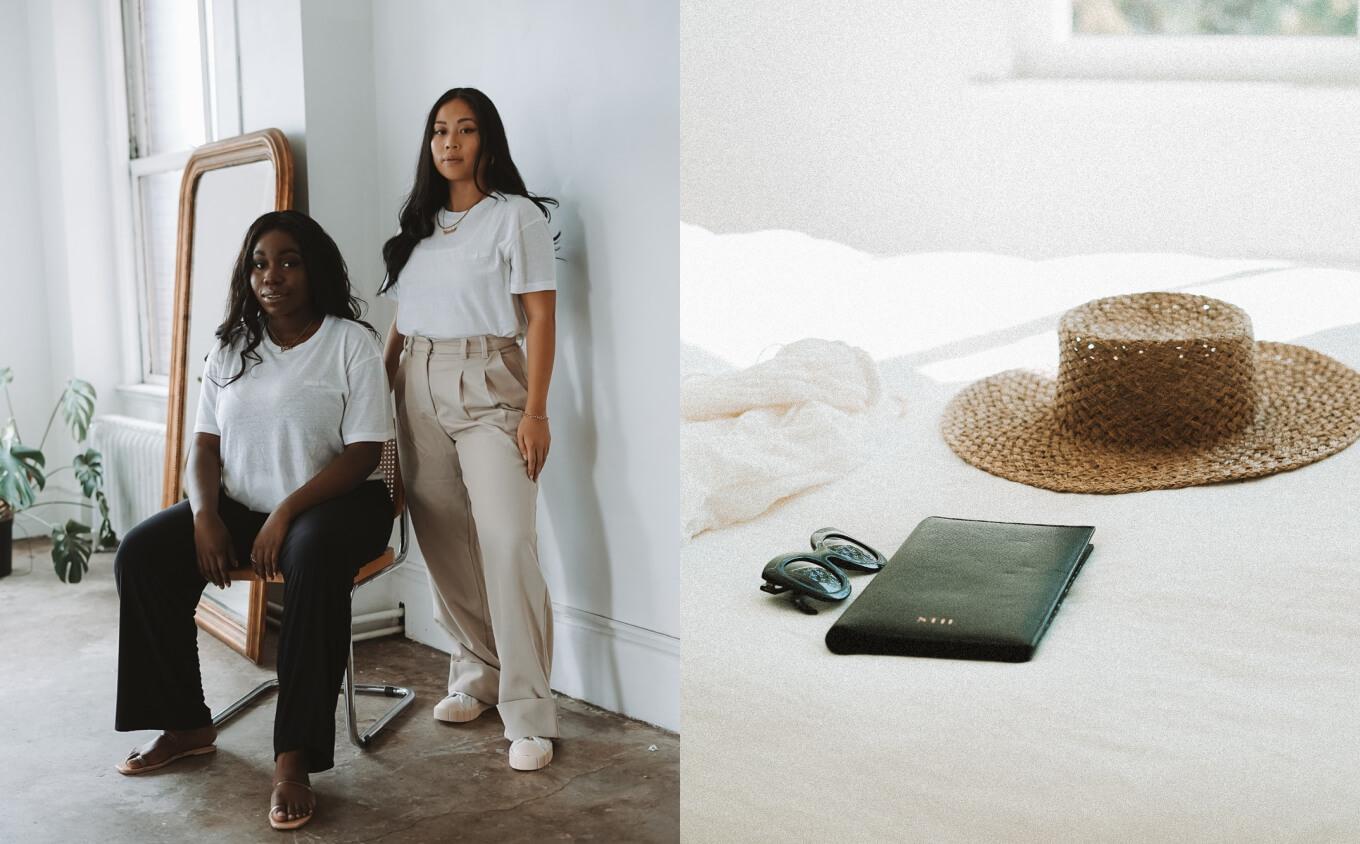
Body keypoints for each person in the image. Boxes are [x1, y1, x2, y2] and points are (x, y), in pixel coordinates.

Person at [113, 210, 394, 831]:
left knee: (313, 556)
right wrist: (206, 516)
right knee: (142, 554)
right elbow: (204, 449)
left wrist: (290, 512)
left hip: (337, 504)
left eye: (289, 261)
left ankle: (293, 757)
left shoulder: (349, 342)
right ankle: (186, 723)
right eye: (260, 263)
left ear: (314, 268)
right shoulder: (231, 346)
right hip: (243, 505)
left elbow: (365, 454)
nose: (273, 276)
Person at [378, 87, 560, 771]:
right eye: (438, 131)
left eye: (465, 129)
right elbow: (404, 317)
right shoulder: (419, 225)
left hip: (491, 384)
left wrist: (536, 413)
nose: (450, 142)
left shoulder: (516, 218)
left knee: (508, 539)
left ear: (488, 140)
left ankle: (530, 712)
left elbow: (540, 318)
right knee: (446, 542)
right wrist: (377, 393)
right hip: (415, 382)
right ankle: (477, 672)